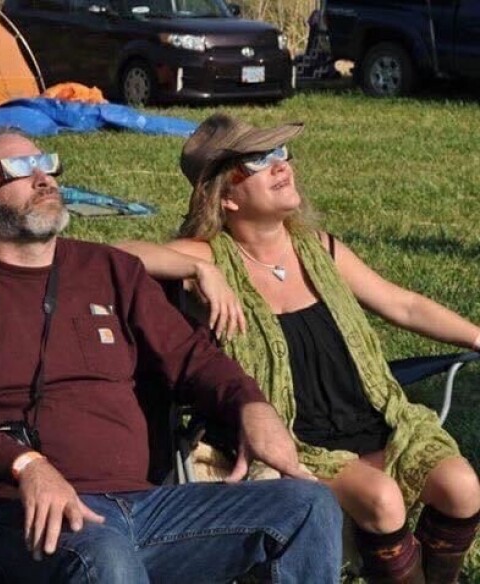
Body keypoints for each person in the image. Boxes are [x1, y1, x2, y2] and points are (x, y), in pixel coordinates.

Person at [0, 127, 343, 583]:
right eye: (16, 169)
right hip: (21, 513)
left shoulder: (110, 270)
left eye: (46, 163)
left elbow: (193, 357)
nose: (43, 177)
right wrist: (24, 465)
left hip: (150, 508)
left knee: (306, 506)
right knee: (103, 551)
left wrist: (252, 405)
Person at [118, 112, 480, 583]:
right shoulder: (209, 255)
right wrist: (200, 272)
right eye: (260, 159)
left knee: (462, 487)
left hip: (374, 419)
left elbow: (403, 304)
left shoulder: (320, 250)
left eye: (282, 153)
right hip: (294, 440)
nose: (281, 164)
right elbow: (118, 255)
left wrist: (476, 335)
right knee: (383, 499)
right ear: (225, 196)